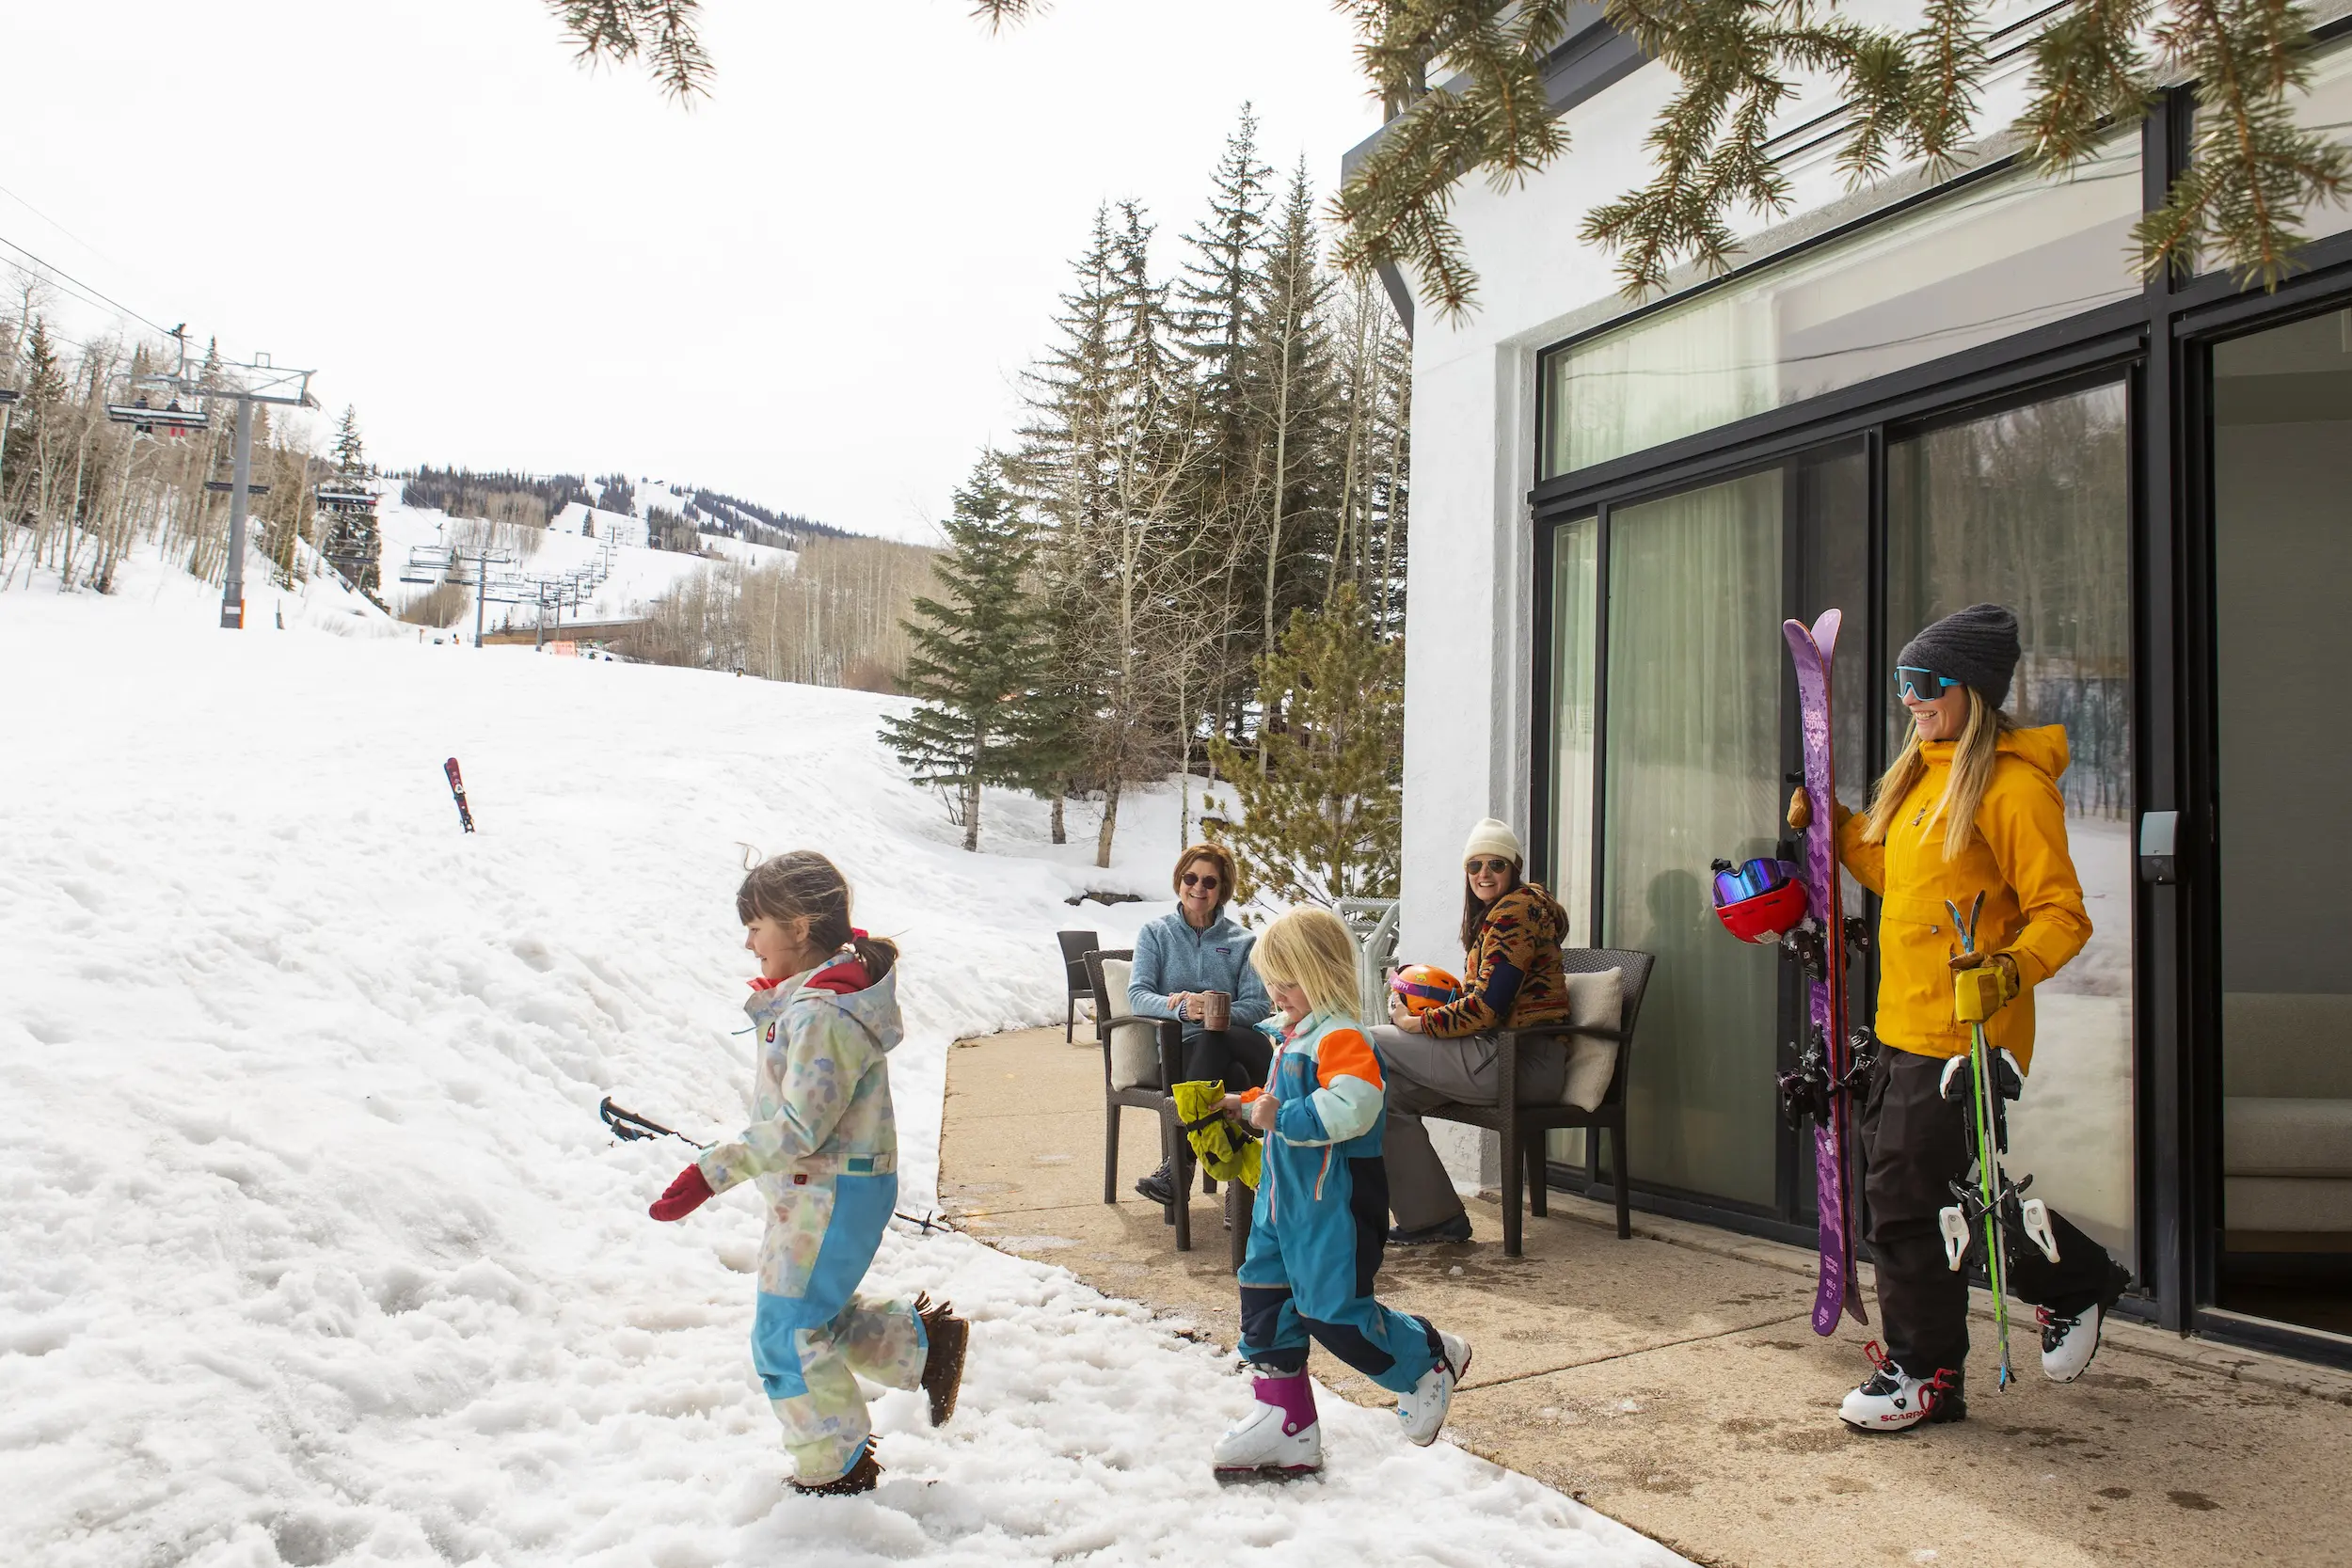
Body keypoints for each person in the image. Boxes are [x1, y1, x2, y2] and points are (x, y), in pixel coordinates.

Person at [1791, 603, 2134, 1433]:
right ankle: (2071, 1279)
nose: (1910, 699)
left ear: (1971, 688)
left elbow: (2062, 912)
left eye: (1925, 683)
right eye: (1903, 683)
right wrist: (1833, 827)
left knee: (1903, 1201)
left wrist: (2009, 968)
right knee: (1931, 1200)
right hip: (1903, 1022)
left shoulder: (2012, 786)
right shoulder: (1922, 773)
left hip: (1966, 1031)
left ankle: (1926, 1372)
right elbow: (1895, 873)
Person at [644, 851, 970, 1495]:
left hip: (833, 1189)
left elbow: (800, 1126)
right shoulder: (809, 1004)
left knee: (784, 1335)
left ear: (798, 925)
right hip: (815, 1190)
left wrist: (712, 1171)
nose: (748, 940)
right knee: (805, 1319)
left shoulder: (822, 1013)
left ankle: (836, 1470)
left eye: (757, 924)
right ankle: (922, 1342)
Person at [1211, 907, 1472, 1479]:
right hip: (1282, 1203)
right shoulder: (1295, 1036)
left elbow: (1354, 1105)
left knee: (1331, 1312)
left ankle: (1427, 1359)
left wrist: (1281, 1115)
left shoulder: (1343, 1037)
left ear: (1324, 972)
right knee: (1264, 1299)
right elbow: (1286, 1096)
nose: (1276, 990)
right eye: (1272, 978)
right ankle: (1286, 1424)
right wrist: (1244, 1102)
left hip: (1335, 1204)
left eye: (1289, 978)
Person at [1375, 818, 1576, 1245]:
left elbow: (1488, 1007)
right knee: (1386, 1096)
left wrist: (1416, 1023)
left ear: (1514, 868)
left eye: (1496, 864)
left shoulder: (1515, 913)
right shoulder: (1506, 913)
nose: (1484, 874)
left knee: (1365, 1042)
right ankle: (1434, 1219)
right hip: (1504, 1056)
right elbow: (1486, 998)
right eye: (1475, 865)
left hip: (1522, 1062)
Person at [1126, 843, 1274, 1208]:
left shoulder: (1244, 941)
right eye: (1191, 878)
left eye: (1210, 881)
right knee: (1234, 1079)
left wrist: (1212, 1010)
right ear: (1179, 881)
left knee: (1218, 1038)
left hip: (1242, 1040)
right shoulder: (1155, 933)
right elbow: (1138, 995)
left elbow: (1257, 1006)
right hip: (1183, 1050)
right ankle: (1240, 1199)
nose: (1199, 888)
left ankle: (1178, 1168)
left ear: (1222, 889)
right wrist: (1182, 1010)